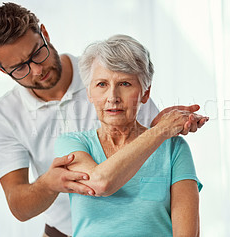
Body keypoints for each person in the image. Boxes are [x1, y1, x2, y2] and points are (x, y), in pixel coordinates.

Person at [0, 2, 207, 237]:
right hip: (61, 230)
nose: (36, 70)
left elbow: (150, 143)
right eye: (19, 68)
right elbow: (19, 206)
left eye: (37, 53)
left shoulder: (104, 68)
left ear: (44, 34)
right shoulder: (3, 116)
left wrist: (165, 127)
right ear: (3, 71)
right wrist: (48, 184)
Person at [54, 34, 202, 237]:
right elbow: (100, 183)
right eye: (102, 84)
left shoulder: (174, 149)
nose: (112, 97)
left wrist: (161, 134)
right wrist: (160, 130)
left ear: (145, 92)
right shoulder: (71, 143)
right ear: (89, 93)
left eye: (125, 84)